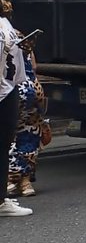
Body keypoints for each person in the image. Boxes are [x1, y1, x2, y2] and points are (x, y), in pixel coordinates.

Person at [0, 0, 33, 217]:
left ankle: (1, 200)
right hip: (3, 89)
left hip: (8, 87)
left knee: (3, 145)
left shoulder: (5, 24)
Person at [7, 31, 46, 198]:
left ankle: (13, 180)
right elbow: (34, 66)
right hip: (27, 89)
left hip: (12, 90)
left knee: (12, 137)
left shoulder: (9, 34)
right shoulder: (16, 33)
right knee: (28, 136)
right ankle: (23, 180)